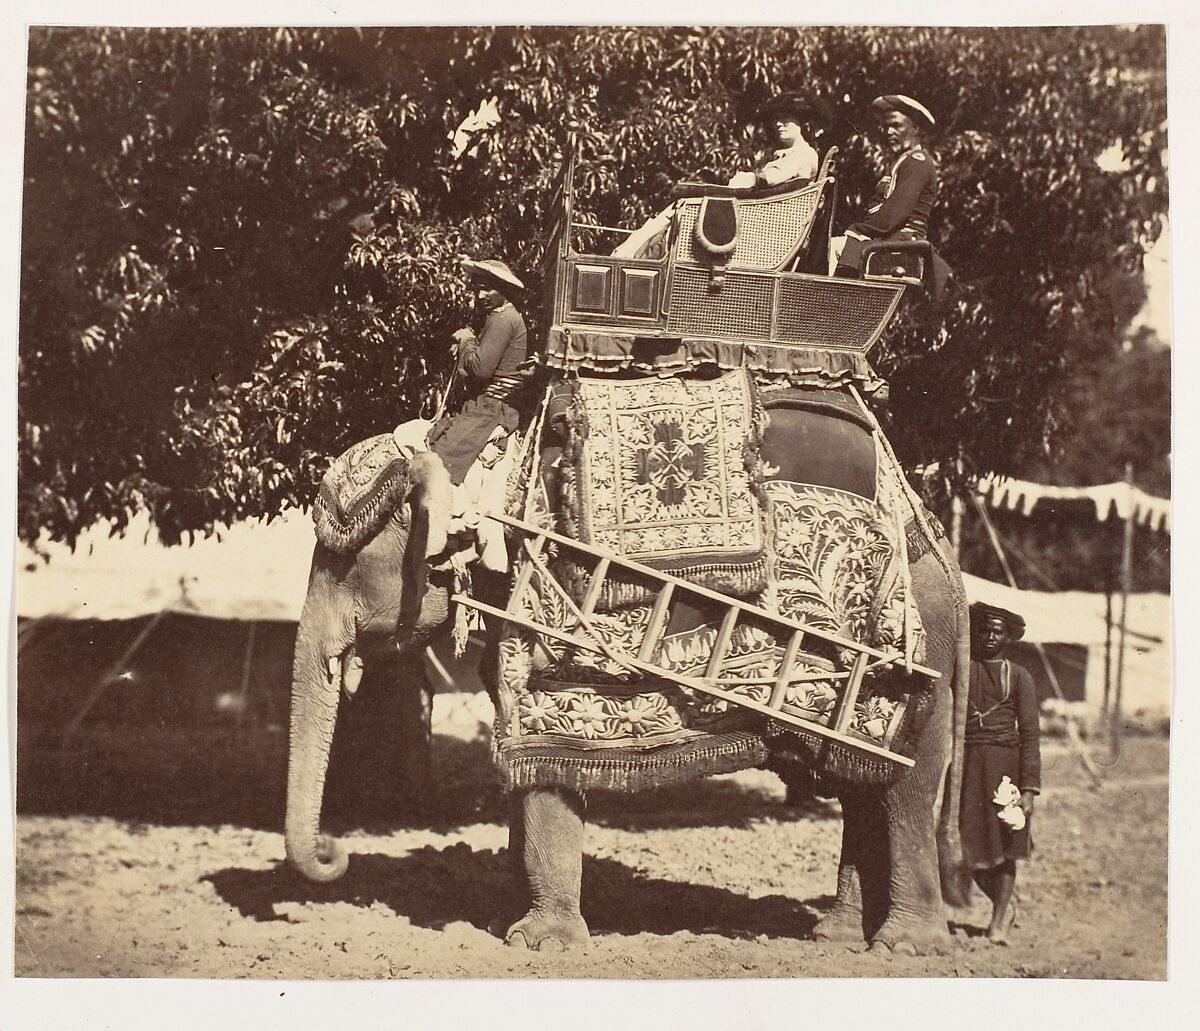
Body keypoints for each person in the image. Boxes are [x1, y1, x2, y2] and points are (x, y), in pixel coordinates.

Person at [612, 94, 823, 260]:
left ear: (802, 122)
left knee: (681, 204)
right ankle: (632, 253)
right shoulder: (789, 155)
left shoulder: (804, 155)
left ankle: (628, 255)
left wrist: (751, 179)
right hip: (757, 220)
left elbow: (772, 178)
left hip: (764, 228)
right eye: (777, 119)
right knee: (676, 207)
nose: (779, 124)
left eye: (787, 118)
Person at [960, 602, 1042, 944]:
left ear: (1008, 637)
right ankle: (1003, 905)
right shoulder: (964, 670)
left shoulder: (1019, 676)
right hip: (968, 767)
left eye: (997, 631)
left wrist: (1029, 788)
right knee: (967, 849)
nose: (990, 636)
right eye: (985, 630)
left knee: (1006, 845)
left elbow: (1031, 734)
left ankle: (998, 919)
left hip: (1006, 771)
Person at [426, 257, 528, 486]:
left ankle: (460, 514)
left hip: (493, 407)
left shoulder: (502, 319)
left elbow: (481, 370)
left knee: (440, 458)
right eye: (477, 290)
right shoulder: (504, 317)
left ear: (503, 289)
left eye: (487, 289)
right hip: (489, 404)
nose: (480, 296)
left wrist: (466, 340)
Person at [832, 94, 939, 277]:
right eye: (886, 126)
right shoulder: (902, 161)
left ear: (916, 129)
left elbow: (892, 216)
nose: (888, 132)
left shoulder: (918, 162)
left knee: (829, 249)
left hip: (899, 243)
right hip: (887, 240)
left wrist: (857, 230)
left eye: (896, 125)